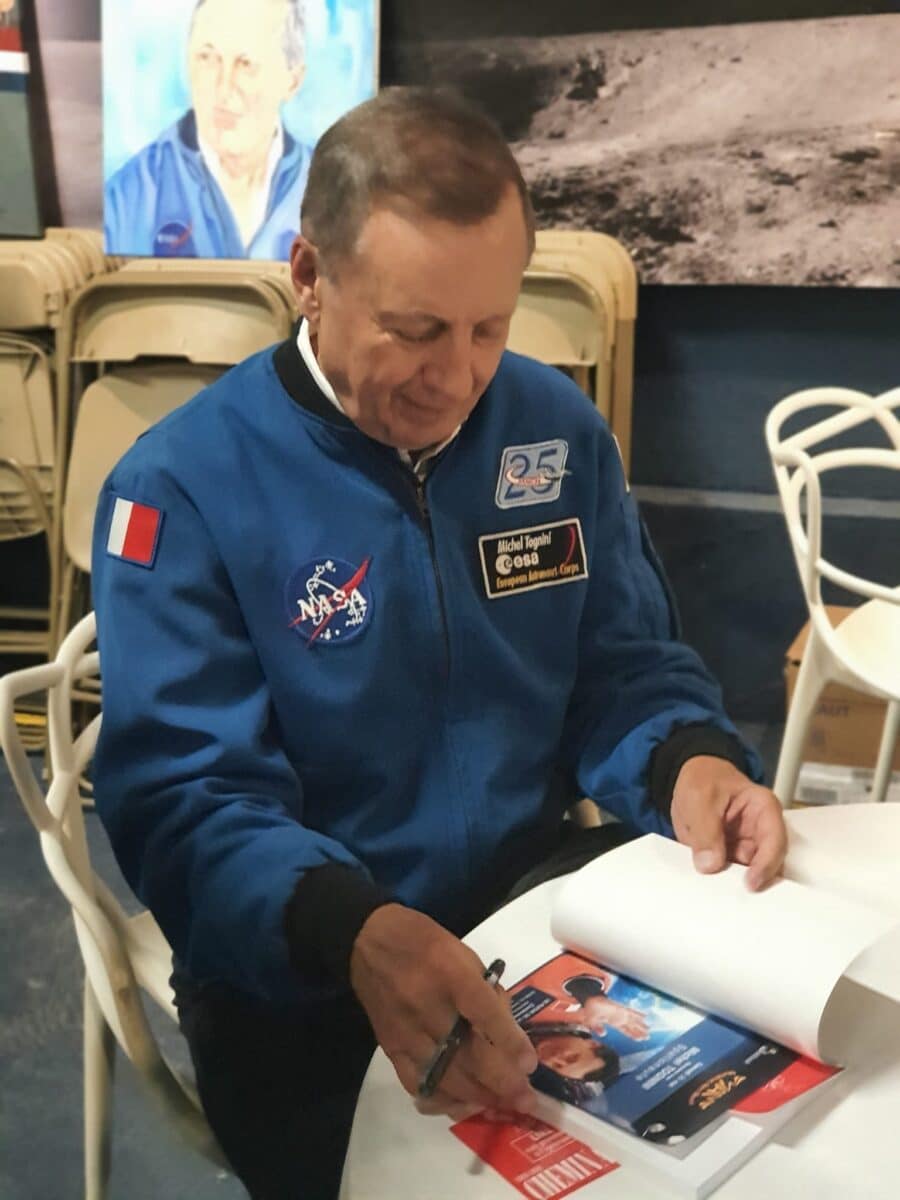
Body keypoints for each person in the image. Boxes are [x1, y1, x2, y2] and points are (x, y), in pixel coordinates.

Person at [91, 87, 788, 1199]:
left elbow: (623, 668)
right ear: (309, 276)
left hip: (535, 915)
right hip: (306, 973)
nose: (458, 378)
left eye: (490, 327)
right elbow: (185, 801)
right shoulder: (180, 489)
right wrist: (352, 929)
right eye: (415, 331)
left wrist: (685, 760)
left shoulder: (553, 435)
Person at [104, 0, 310, 260]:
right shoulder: (128, 199)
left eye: (246, 64)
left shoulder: (332, 189)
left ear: (292, 81)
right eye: (207, 58)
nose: (223, 89)